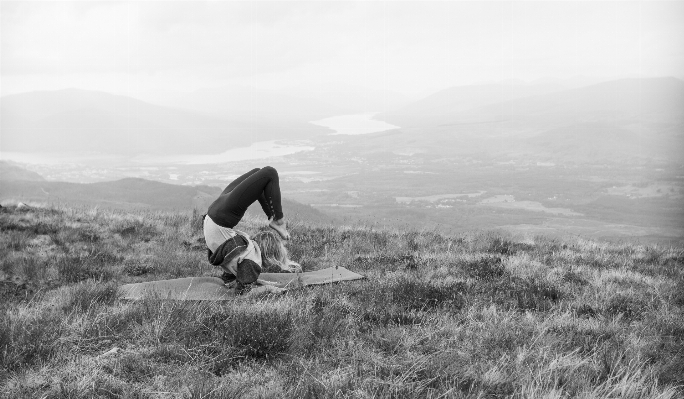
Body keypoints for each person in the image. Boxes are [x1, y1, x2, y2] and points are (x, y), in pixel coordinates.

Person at [203, 166, 300, 293]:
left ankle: (275, 219)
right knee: (262, 173)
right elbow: (242, 290)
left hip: (219, 216)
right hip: (216, 218)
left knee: (267, 173)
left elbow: (237, 288)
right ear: (270, 256)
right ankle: (276, 220)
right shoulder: (251, 260)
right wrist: (268, 287)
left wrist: (258, 283)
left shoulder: (248, 258)